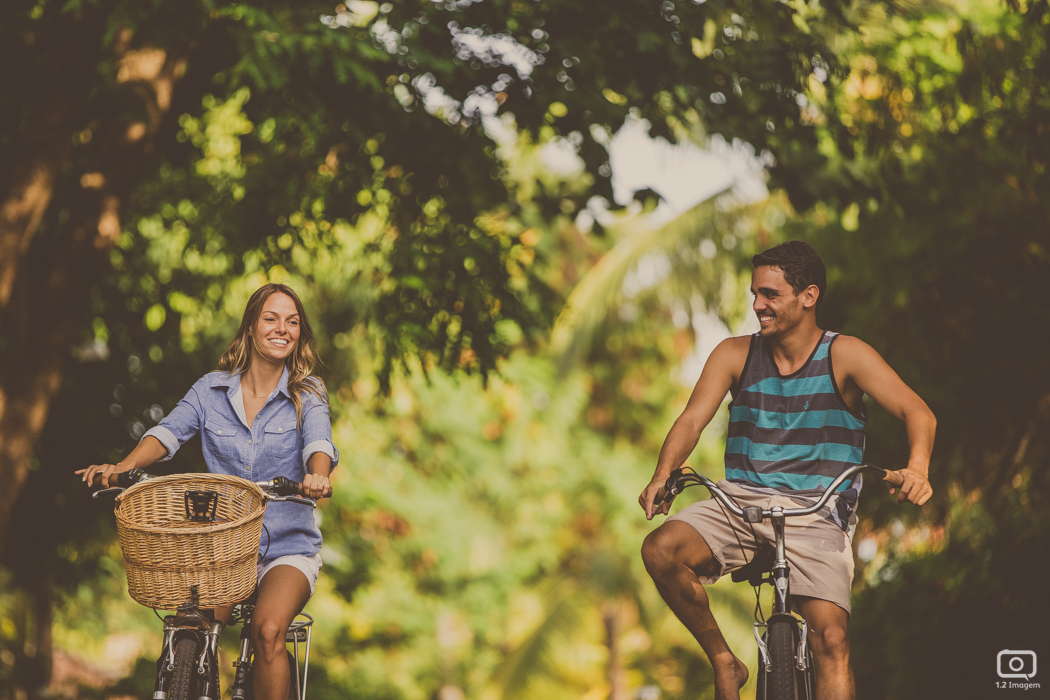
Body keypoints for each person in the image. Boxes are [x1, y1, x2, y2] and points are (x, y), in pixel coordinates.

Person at [638, 241, 935, 700]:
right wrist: (663, 474)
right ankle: (725, 662)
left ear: (808, 296)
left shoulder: (846, 354)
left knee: (832, 641)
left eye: (770, 295)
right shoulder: (734, 354)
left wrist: (917, 468)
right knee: (660, 551)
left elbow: (919, 413)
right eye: (755, 293)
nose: (757, 305)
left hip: (816, 513)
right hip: (739, 504)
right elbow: (692, 420)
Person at [77, 283, 338, 700]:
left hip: (286, 546)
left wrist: (317, 475)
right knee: (190, 623)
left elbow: (318, 444)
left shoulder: (309, 393)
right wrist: (123, 467)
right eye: (271, 318)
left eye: (292, 322)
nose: (281, 329)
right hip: (222, 547)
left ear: (300, 334)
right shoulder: (210, 390)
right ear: (251, 327)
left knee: (268, 631)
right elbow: (167, 432)